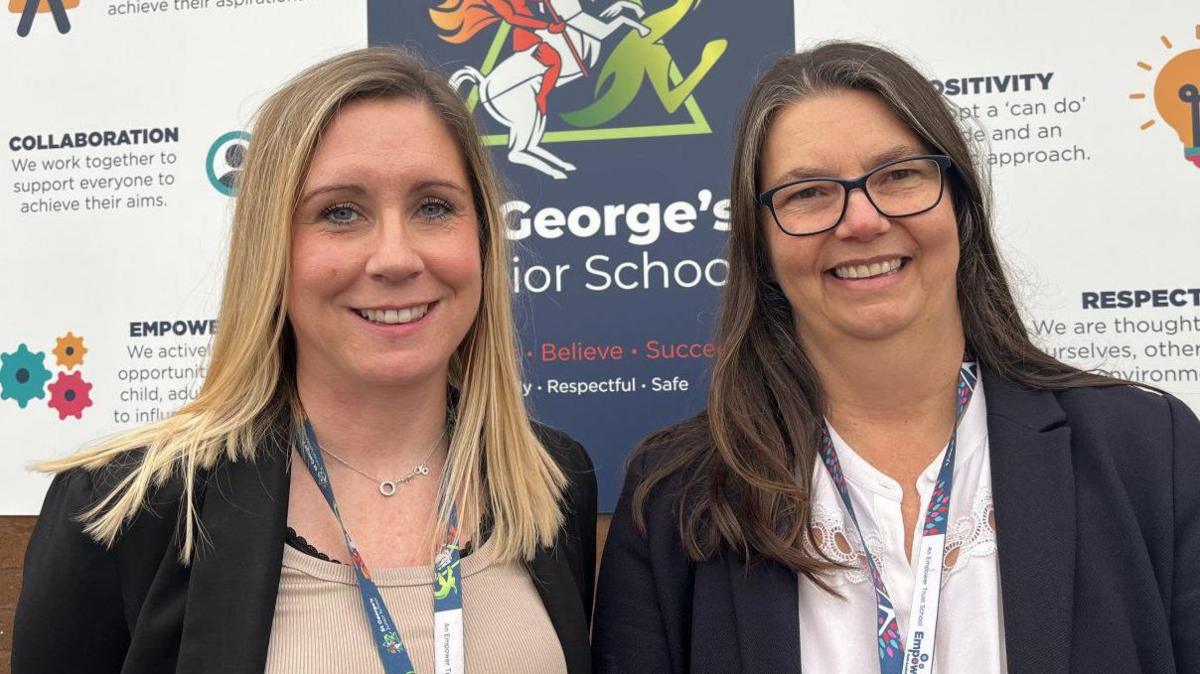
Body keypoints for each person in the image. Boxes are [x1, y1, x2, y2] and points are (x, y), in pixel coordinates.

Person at [591, 41, 1200, 674]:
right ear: (760, 244)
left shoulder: (1148, 452)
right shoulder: (677, 497)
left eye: (899, 175)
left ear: (960, 205)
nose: (860, 219)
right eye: (808, 193)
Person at [13, 47, 596, 674]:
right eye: (340, 212)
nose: (395, 258)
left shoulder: (548, 480)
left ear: (481, 236)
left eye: (434, 207)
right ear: (271, 249)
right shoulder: (127, 506)